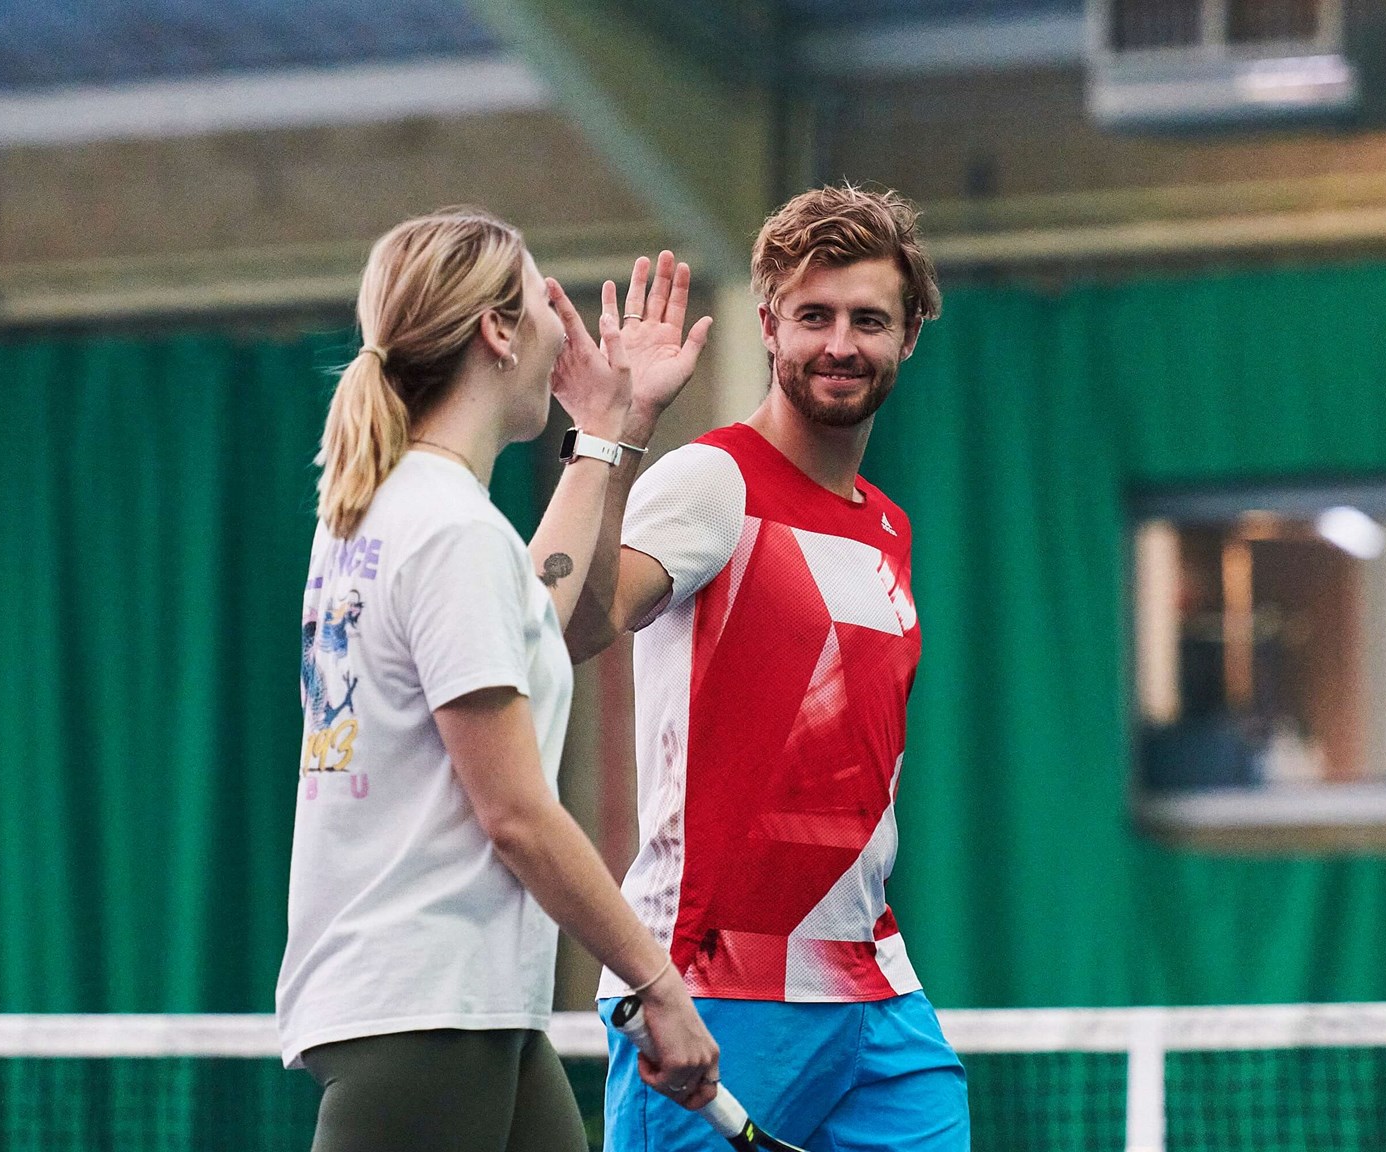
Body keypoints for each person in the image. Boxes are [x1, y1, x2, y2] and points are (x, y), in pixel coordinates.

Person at [276, 208, 726, 1152]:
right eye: (545, 301)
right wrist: (656, 980)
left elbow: (534, 616)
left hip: (473, 1009)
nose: (567, 330)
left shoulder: (385, 511)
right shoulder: (450, 531)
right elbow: (516, 814)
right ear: (497, 331)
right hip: (423, 1013)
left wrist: (605, 430)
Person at [566, 187, 972, 1151]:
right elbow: (584, 625)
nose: (840, 343)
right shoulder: (714, 480)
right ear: (768, 326)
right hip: (712, 987)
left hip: (874, 990)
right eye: (814, 316)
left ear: (909, 334)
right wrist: (615, 436)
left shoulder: (888, 528)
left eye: (868, 319)